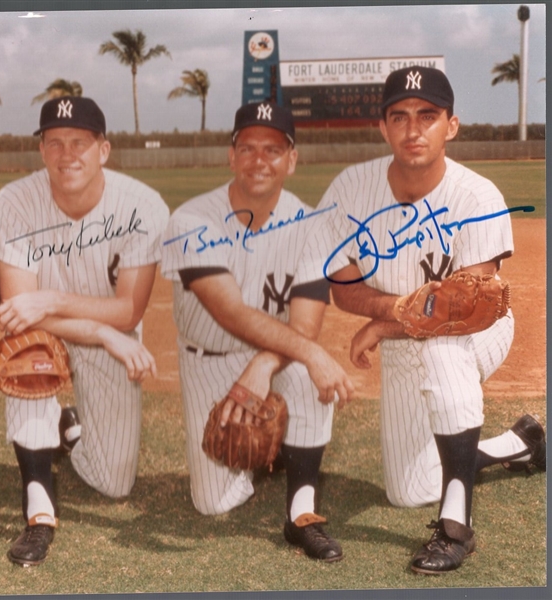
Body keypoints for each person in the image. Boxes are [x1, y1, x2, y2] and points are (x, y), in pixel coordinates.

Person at [317, 66, 546, 574]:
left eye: (428, 115)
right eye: (399, 116)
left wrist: (381, 323)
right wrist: (389, 313)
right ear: (382, 127)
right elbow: (342, 283)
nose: (413, 128)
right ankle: (521, 443)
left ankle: (455, 526)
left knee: (443, 347)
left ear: (452, 125)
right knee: (408, 490)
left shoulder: (476, 196)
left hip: (476, 333)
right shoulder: (350, 190)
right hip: (404, 343)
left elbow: (463, 307)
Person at [161, 101, 354, 562]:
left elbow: (304, 326)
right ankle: (280, 448)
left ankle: (302, 510)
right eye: (247, 148)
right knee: (213, 503)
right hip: (209, 354)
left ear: (292, 159)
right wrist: (296, 355)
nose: (258, 160)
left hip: (277, 354)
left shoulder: (312, 224)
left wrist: (265, 365)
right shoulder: (191, 220)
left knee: (310, 369)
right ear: (231, 156)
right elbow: (228, 311)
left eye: (272, 149)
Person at [0, 96, 170, 566]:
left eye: (79, 142)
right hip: (45, 337)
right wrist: (104, 330)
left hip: (106, 335)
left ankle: (67, 430)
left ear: (103, 150)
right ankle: (38, 502)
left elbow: (129, 311)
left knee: (114, 483)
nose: (67, 153)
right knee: (26, 350)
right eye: (54, 143)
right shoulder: (14, 201)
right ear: (42, 151)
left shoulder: (142, 205)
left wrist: (53, 300)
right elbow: (17, 314)